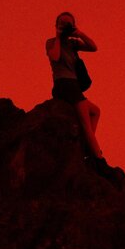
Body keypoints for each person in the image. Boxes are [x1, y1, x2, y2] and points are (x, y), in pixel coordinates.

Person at [45, 12, 104, 162]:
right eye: (62, 23)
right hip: (65, 84)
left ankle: (86, 147)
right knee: (85, 124)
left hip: (73, 85)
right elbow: (55, 57)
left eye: (68, 24)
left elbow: (93, 47)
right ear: (56, 25)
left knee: (95, 111)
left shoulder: (72, 43)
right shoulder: (51, 42)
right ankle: (96, 155)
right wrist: (58, 36)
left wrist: (79, 33)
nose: (65, 26)